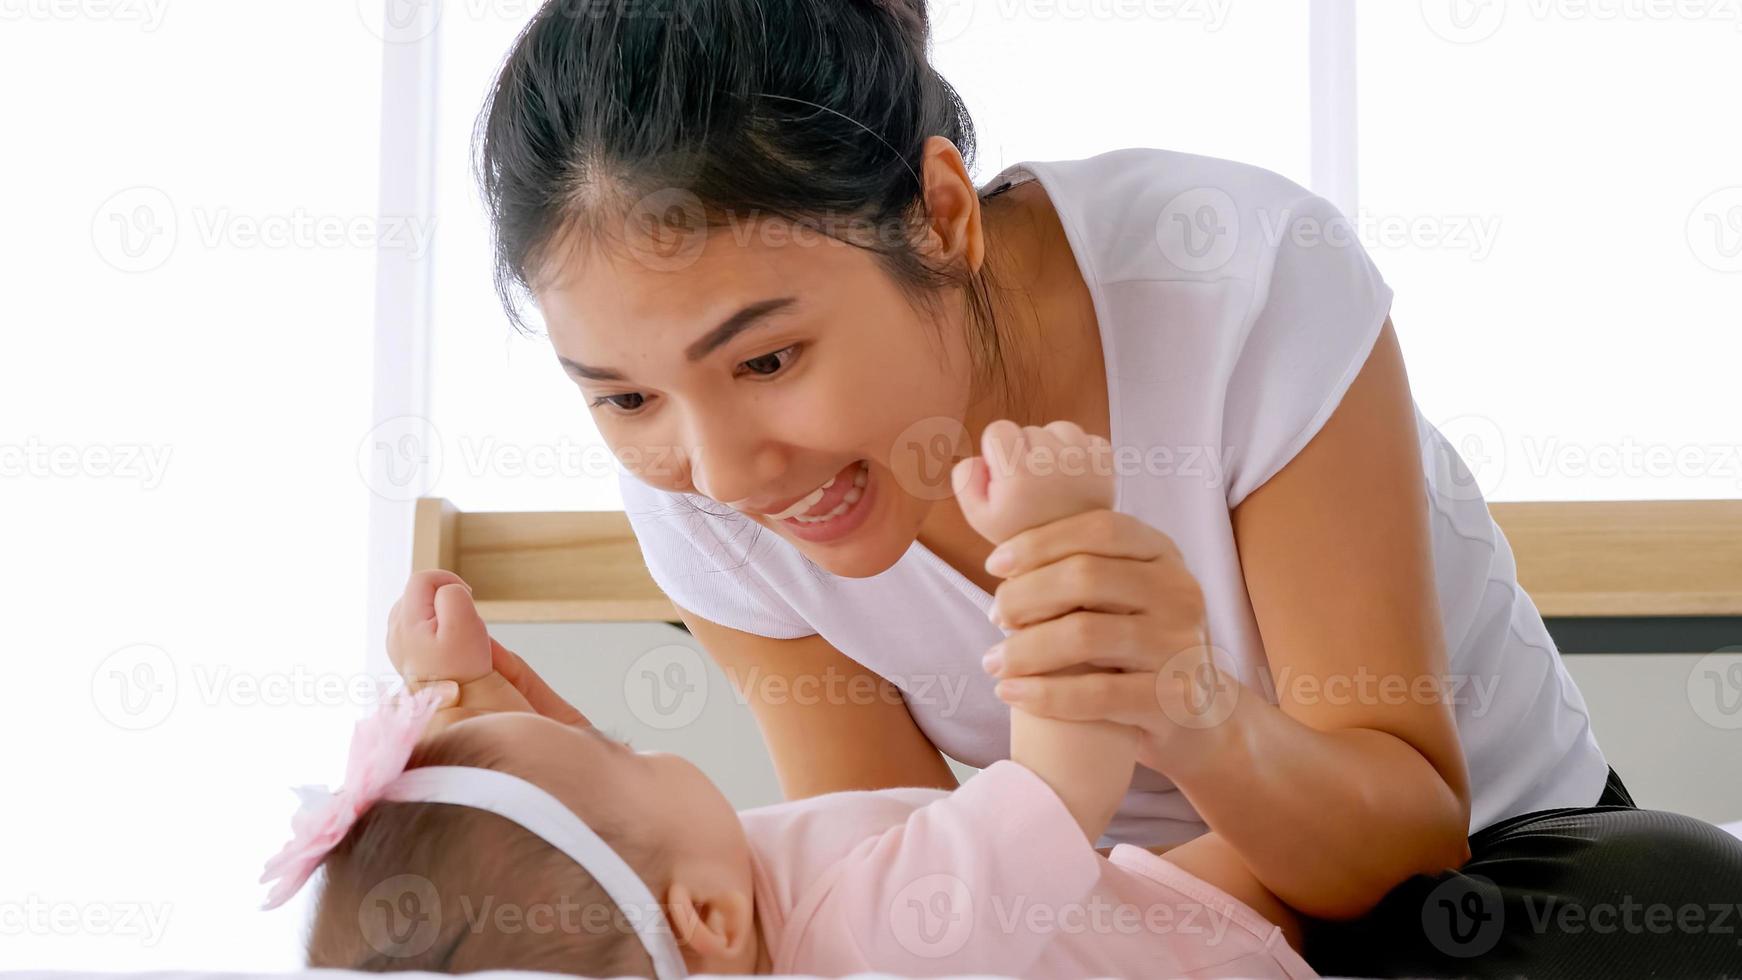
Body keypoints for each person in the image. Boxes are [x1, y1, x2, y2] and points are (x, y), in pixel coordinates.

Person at [466, 0, 1742, 974]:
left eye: (768, 356)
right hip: (1105, 934)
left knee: (1675, 904)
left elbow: (1405, 826)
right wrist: (613, 846)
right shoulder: (702, 499)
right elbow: (904, 876)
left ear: (941, 217)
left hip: (1478, 887)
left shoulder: (1236, 278)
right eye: (624, 396)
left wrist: (1192, 711)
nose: (726, 469)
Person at [270, 428, 1315, 977]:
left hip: (1091, 911)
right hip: (1196, 949)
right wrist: (1052, 536)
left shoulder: (682, 919)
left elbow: (546, 814)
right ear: (706, 918)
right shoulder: (887, 932)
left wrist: (455, 690)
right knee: (1303, 855)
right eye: (625, 750)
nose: (616, 744)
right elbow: (1062, 775)